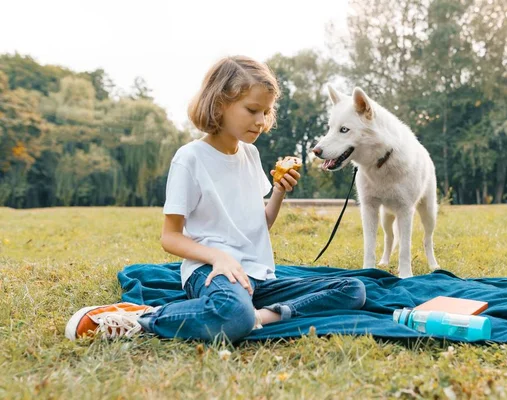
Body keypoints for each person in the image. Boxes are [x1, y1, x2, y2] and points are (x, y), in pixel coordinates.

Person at [65, 55, 366, 343]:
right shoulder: (190, 158)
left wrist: (279, 192)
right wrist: (217, 256)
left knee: (352, 289)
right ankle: (142, 319)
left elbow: (258, 224)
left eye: (265, 112)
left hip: (258, 277)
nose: (261, 121)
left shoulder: (251, 153)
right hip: (211, 272)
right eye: (252, 110)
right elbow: (170, 238)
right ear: (220, 104)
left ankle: (260, 316)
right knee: (231, 313)